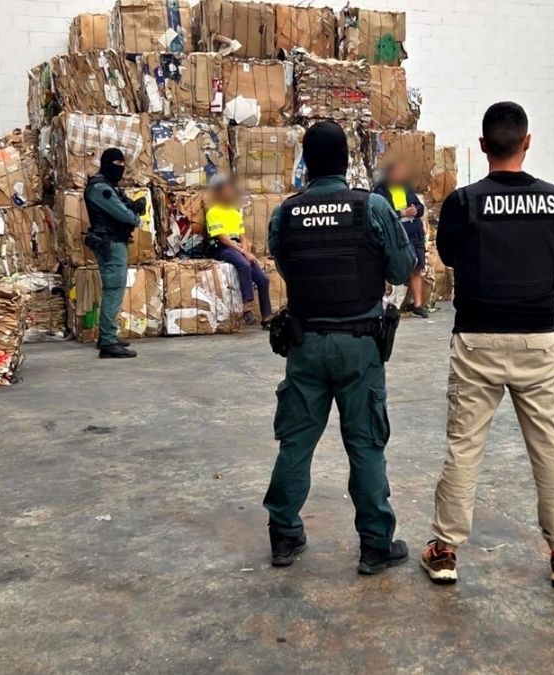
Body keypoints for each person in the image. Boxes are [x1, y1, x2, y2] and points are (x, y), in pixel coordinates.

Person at [421, 102, 554, 588]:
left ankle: (445, 550)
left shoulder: (463, 202)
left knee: (464, 447)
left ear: (482, 146)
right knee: (548, 448)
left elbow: (449, 256)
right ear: (527, 142)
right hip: (538, 339)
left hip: (477, 340)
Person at [263, 121, 417, 575]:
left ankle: (284, 536)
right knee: (366, 445)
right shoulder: (371, 207)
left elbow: (286, 264)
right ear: (347, 161)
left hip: (305, 343)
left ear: (305, 162)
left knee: (296, 442)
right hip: (360, 344)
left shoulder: (284, 214)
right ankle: (375, 544)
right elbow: (399, 268)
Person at [83, 148, 147, 359]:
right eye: (117, 164)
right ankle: (108, 342)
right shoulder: (100, 188)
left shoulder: (107, 185)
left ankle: (108, 336)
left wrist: (135, 206)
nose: (120, 169)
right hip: (110, 244)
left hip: (114, 242)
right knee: (114, 289)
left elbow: (124, 205)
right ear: (107, 163)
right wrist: (135, 217)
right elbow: (122, 214)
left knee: (115, 290)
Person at [205, 176, 273, 327]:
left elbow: (243, 236)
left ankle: (267, 317)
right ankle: (246, 307)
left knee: (263, 279)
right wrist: (243, 252)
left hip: (238, 248)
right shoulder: (213, 212)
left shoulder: (235, 212)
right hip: (223, 248)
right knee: (244, 265)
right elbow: (223, 239)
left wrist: (246, 251)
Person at [374, 161, 429, 318]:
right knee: (397, 268)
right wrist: (402, 213)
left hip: (414, 234)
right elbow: (384, 213)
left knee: (416, 267)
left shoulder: (406, 187)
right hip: (397, 236)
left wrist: (415, 210)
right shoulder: (381, 191)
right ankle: (390, 304)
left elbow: (420, 207)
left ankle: (418, 306)